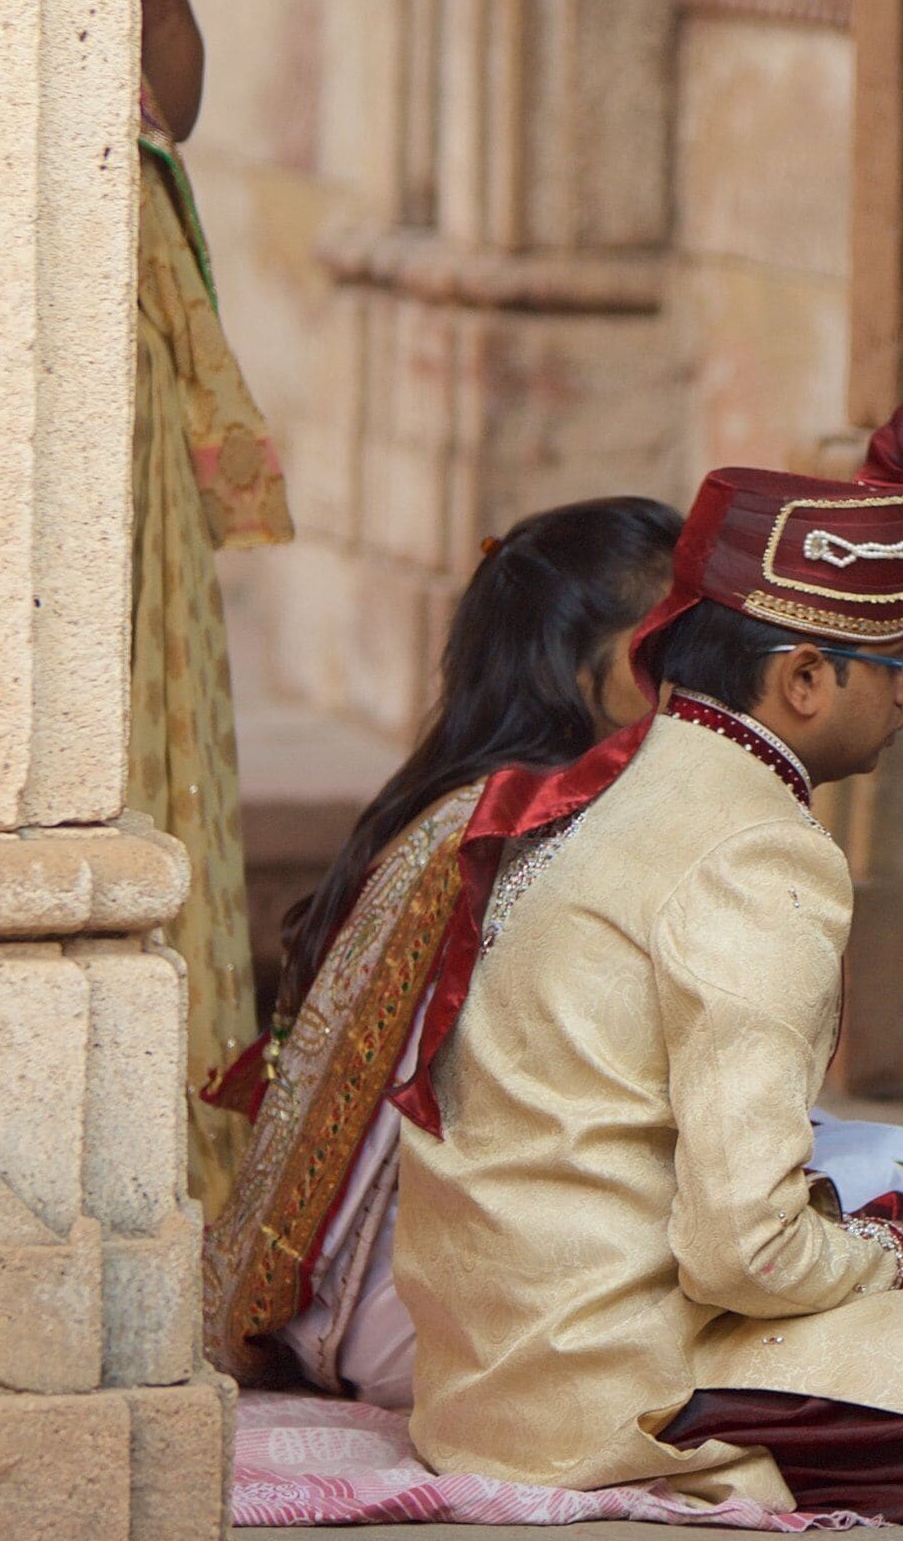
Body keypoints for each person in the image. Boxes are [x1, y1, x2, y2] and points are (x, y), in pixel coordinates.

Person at [390, 399, 903, 1526]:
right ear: (805, 680)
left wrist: (884, 1246)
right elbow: (744, 1255)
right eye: (897, 661)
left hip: (496, 1382)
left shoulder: (615, 787)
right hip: (631, 1396)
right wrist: (900, 1266)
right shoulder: (756, 851)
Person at [200, 493, 685, 1402]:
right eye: (676, 648)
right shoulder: (540, 831)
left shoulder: (445, 804)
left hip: (345, 1312)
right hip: (443, 1318)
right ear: (605, 670)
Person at [126, 0, 292, 1212]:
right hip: (27, 373)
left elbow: (162, 108)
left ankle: (182, 1177)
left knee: (160, 751)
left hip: (127, 377)